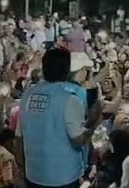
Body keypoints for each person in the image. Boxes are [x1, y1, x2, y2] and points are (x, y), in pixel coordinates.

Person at [16, 48, 101, 188]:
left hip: (33, 174)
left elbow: (19, 138)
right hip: (64, 177)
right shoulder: (70, 99)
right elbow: (78, 140)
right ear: (66, 71)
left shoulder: (27, 96)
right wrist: (93, 123)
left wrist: (21, 168)